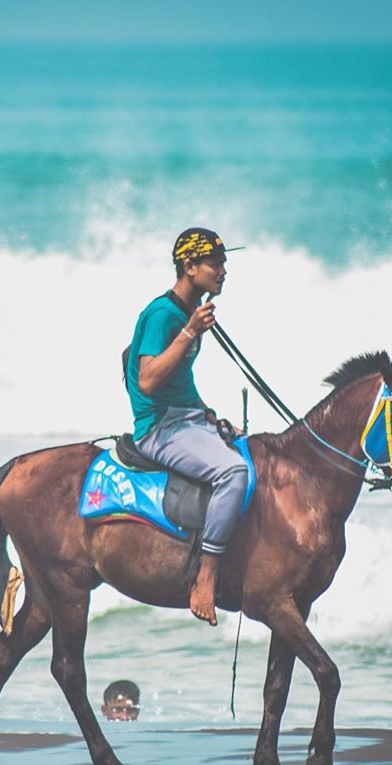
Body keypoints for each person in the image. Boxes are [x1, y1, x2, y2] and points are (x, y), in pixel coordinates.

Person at [124, 227, 250, 627]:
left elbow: (180, 379)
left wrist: (205, 411)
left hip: (186, 417)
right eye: (216, 263)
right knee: (233, 472)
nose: (224, 270)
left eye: (224, 262)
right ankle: (206, 576)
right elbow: (147, 380)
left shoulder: (186, 311)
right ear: (189, 266)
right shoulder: (165, 315)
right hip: (159, 428)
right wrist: (191, 332)